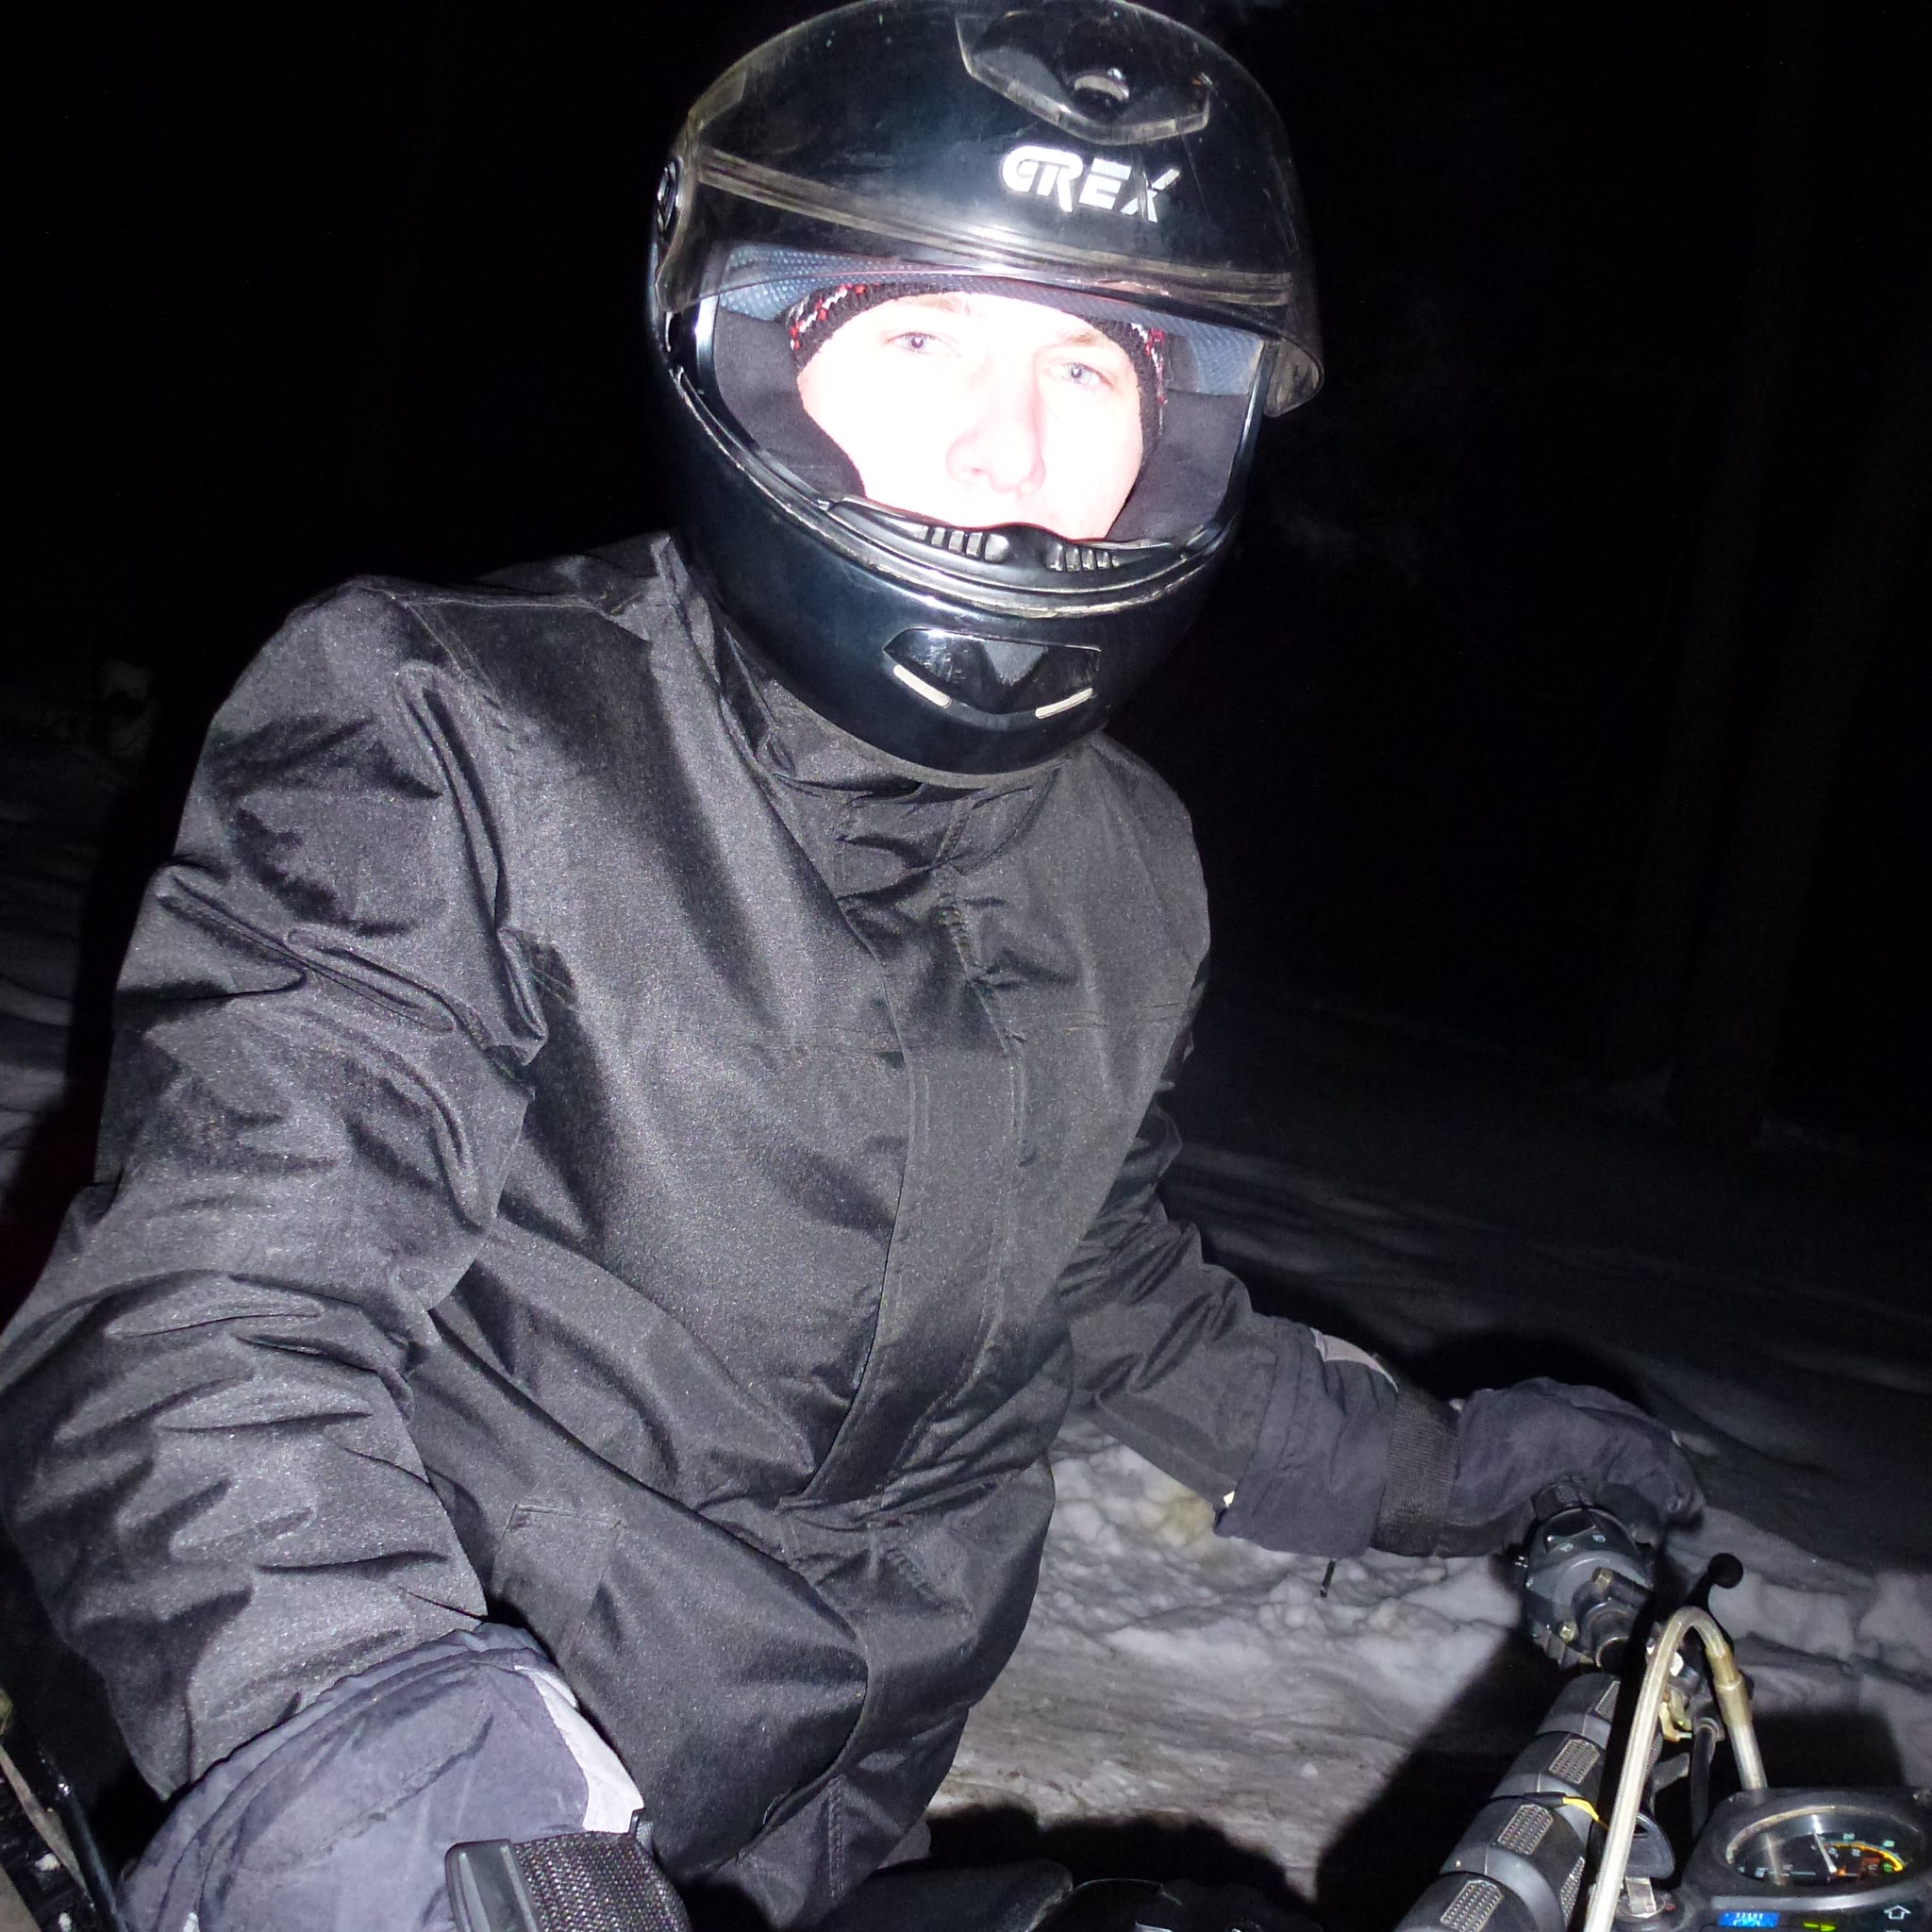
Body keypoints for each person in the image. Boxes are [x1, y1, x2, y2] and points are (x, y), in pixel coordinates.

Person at [0, 4, 1698, 1929]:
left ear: (1181, 443)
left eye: (1089, 366)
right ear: (755, 365)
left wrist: (1450, 1469)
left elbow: (1100, 1285)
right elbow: (209, 1315)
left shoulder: (1125, 863)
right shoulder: (454, 727)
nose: (1011, 451)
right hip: (389, 1827)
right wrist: (383, 1753)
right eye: (918, 343)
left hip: (815, 1832)